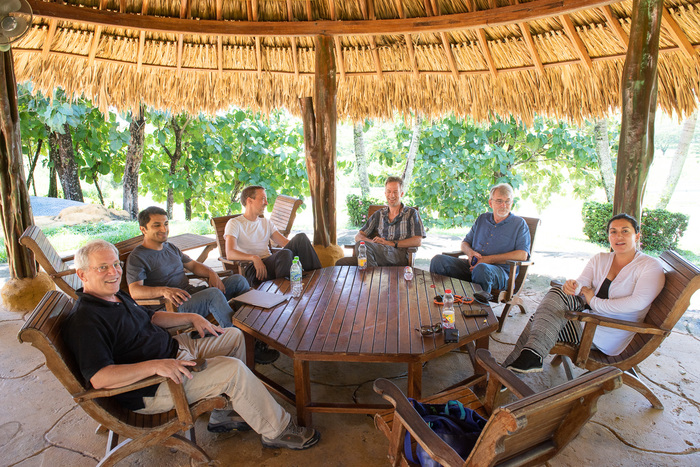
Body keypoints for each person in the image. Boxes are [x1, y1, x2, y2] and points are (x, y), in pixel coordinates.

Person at [63, 240, 320, 450]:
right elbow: (100, 377)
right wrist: (157, 366)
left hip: (174, 350)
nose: (114, 272)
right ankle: (277, 430)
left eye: (115, 265)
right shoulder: (86, 320)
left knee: (233, 336)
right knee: (233, 371)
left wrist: (191, 317)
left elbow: (151, 317)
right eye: (103, 267)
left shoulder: (114, 296)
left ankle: (223, 413)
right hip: (153, 386)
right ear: (82, 274)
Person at [504, 213, 665, 373]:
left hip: (608, 332)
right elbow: (582, 284)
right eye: (613, 231)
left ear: (637, 236)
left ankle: (515, 368)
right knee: (554, 298)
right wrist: (573, 286)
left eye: (625, 231)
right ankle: (525, 361)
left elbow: (638, 302)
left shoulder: (649, 266)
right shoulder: (601, 259)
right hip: (589, 318)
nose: (618, 236)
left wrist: (593, 301)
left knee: (539, 320)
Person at [125, 207, 278, 365]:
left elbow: (193, 265)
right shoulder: (138, 257)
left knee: (238, 280)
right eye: (157, 225)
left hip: (191, 295)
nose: (164, 229)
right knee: (213, 295)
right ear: (143, 229)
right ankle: (245, 345)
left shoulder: (170, 247)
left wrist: (211, 273)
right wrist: (164, 290)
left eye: (166, 223)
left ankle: (252, 334)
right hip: (172, 307)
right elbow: (135, 291)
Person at [429, 183, 530, 296]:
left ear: (512, 203)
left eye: (507, 201)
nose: (504, 205)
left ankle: (479, 306)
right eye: (499, 201)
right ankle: (441, 299)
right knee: (438, 261)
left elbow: (522, 255)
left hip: (500, 272)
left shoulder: (519, 224)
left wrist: (487, 260)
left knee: (481, 269)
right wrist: (470, 253)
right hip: (473, 266)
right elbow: (465, 243)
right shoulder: (482, 219)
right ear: (490, 203)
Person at [224, 186, 322, 286]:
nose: (266, 203)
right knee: (285, 253)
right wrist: (254, 258)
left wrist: (305, 249)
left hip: (270, 264)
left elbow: (285, 243)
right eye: (263, 199)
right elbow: (230, 253)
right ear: (249, 201)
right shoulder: (235, 223)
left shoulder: (266, 222)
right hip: (253, 269)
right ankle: (285, 291)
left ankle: (319, 278)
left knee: (301, 238)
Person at [336, 176, 425, 267]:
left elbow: (417, 241)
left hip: (399, 255)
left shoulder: (411, 213)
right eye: (389, 191)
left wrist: (391, 243)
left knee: (362, 247)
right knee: (341, 263)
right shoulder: (379, 214)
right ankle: (374, 272)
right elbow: (358, 236)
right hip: (378, 254)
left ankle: (372, 275)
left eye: (395, 192)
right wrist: (373, 243)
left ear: (401, 193)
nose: (392, 195)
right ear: (385, 193)